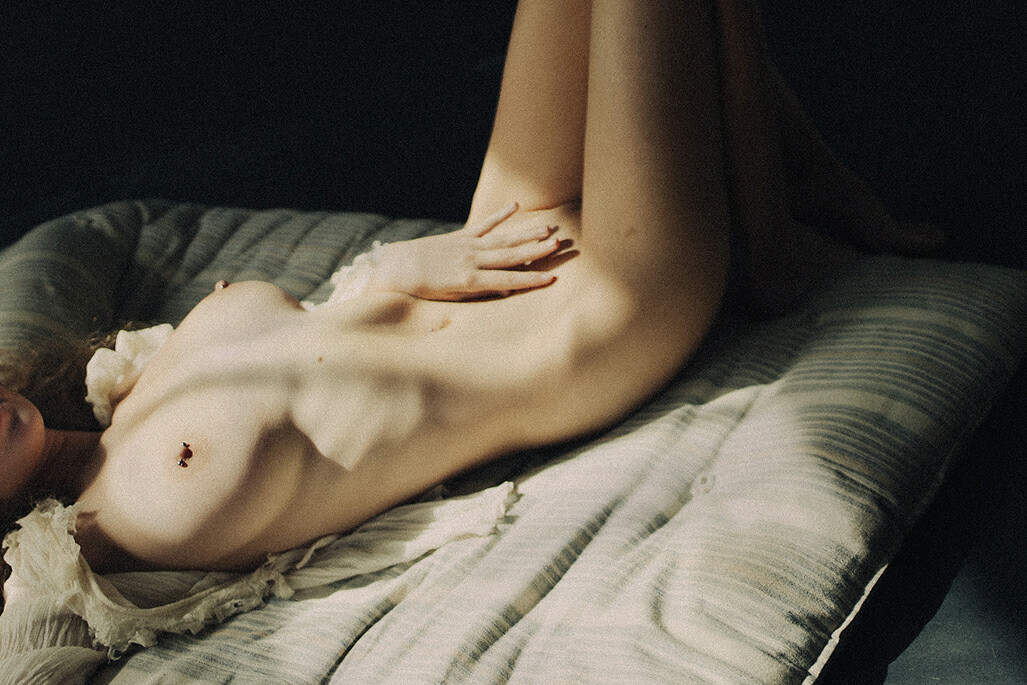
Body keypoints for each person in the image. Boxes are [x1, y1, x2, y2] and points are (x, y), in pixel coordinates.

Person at [0, 0, 942, 577]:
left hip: (498, 241)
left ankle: (785, 213)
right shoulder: (112, 533)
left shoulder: (125, 391)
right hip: (598, 316)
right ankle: (778, 221)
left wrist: (384, 270)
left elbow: (319, 355)